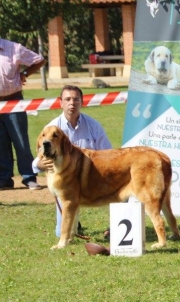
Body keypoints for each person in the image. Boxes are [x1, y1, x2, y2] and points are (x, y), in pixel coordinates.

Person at [33, 85, 112, 238]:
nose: (72, 103)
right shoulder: (51, 128)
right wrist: (40, 164)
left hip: (92, 178)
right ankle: (74, 223)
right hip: (65, 184)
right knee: (60, 233)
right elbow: (36, 161)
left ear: (82, 102)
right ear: (60, 102)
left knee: (121, 188)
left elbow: (108, 154)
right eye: (67, 99)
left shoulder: (93, 126)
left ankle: (115, 227)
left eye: (76, 99)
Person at [0, 38, 46, 190]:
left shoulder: (14, 48)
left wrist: (25, 73)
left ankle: (29, 177)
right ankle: (4, 179)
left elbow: (39, 60)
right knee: (1, 143)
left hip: (13, 101)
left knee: (20, 141)